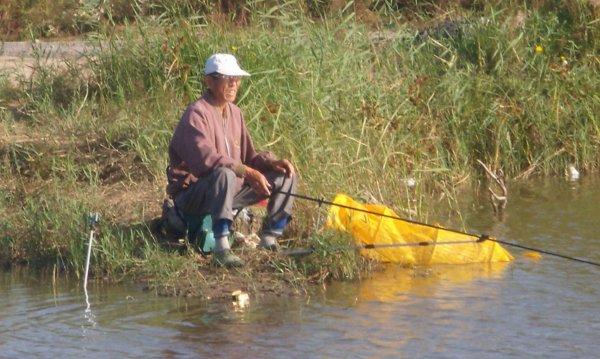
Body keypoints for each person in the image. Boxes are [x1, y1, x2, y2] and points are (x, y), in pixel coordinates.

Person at [165, 53, 298, 268]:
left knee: (285, 175)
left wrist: (271, 163)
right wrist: (247, 172)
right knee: (224, 173)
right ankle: (222, 247)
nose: (234, 84)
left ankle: (270, 238)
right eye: (228, 79)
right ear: (210, 81)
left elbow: (249, 158)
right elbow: (206, 161)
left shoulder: (235, 113)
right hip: (194, 196)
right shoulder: (196, 114)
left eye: (237, 79)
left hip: (229, 192)